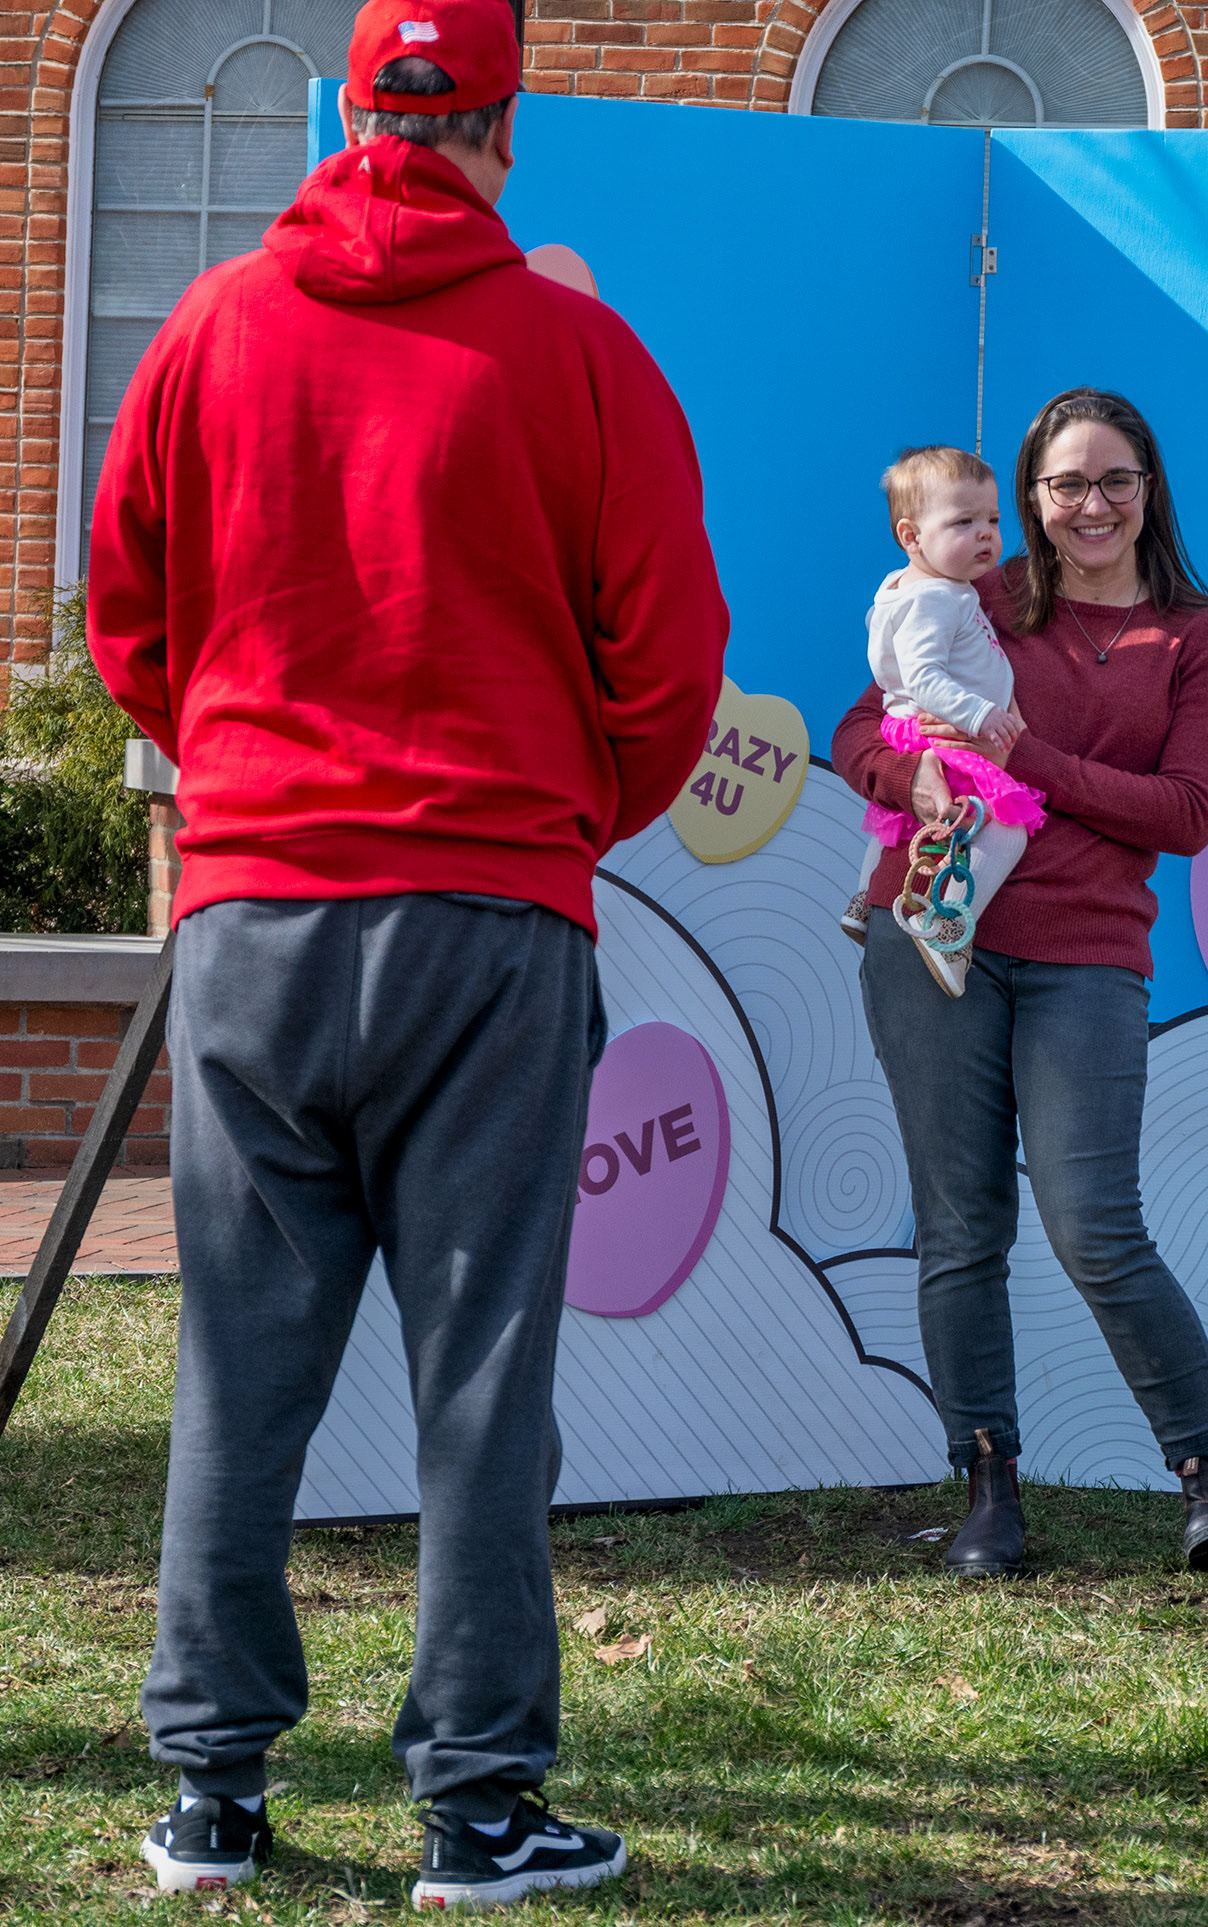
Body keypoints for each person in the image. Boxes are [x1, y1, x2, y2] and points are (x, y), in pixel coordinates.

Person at [86, 0, 728, 1905]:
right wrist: (550, 815)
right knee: (483, 1379)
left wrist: (246, 772)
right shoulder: (580, 349)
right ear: (501, 132)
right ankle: (475, 1807)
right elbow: (668, 662)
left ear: (353, 113)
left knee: (240, 1366)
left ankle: (212, 1793)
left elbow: (131, 610)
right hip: (488, 917)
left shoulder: (208, 333)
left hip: (259, 911)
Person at [833, 387, 1208, 1579]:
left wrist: (1027, 757)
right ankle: (988, 1483)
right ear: (1030, 495)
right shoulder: (975, 594)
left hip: (1088, 952)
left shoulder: (1195, 636)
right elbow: (859, 733)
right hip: (931, 938)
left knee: (1096, 1227)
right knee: (961, 1226)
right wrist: (909, 780)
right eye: (1066, 484)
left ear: (1149, 490)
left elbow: (1187, 816)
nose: (1090, 505)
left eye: (1114, 481)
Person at [842, 445, 1045, 994]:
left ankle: (864, 900)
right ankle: (948, 925)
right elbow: (922, 676)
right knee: (1007, 828)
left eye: (993, 520)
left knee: (902, 824)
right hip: (951, 733)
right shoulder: (938, 599)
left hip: (911, 731)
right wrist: (983, 715)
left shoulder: (905, 588)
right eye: (964, 522)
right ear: (912, 537)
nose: (986, 535)